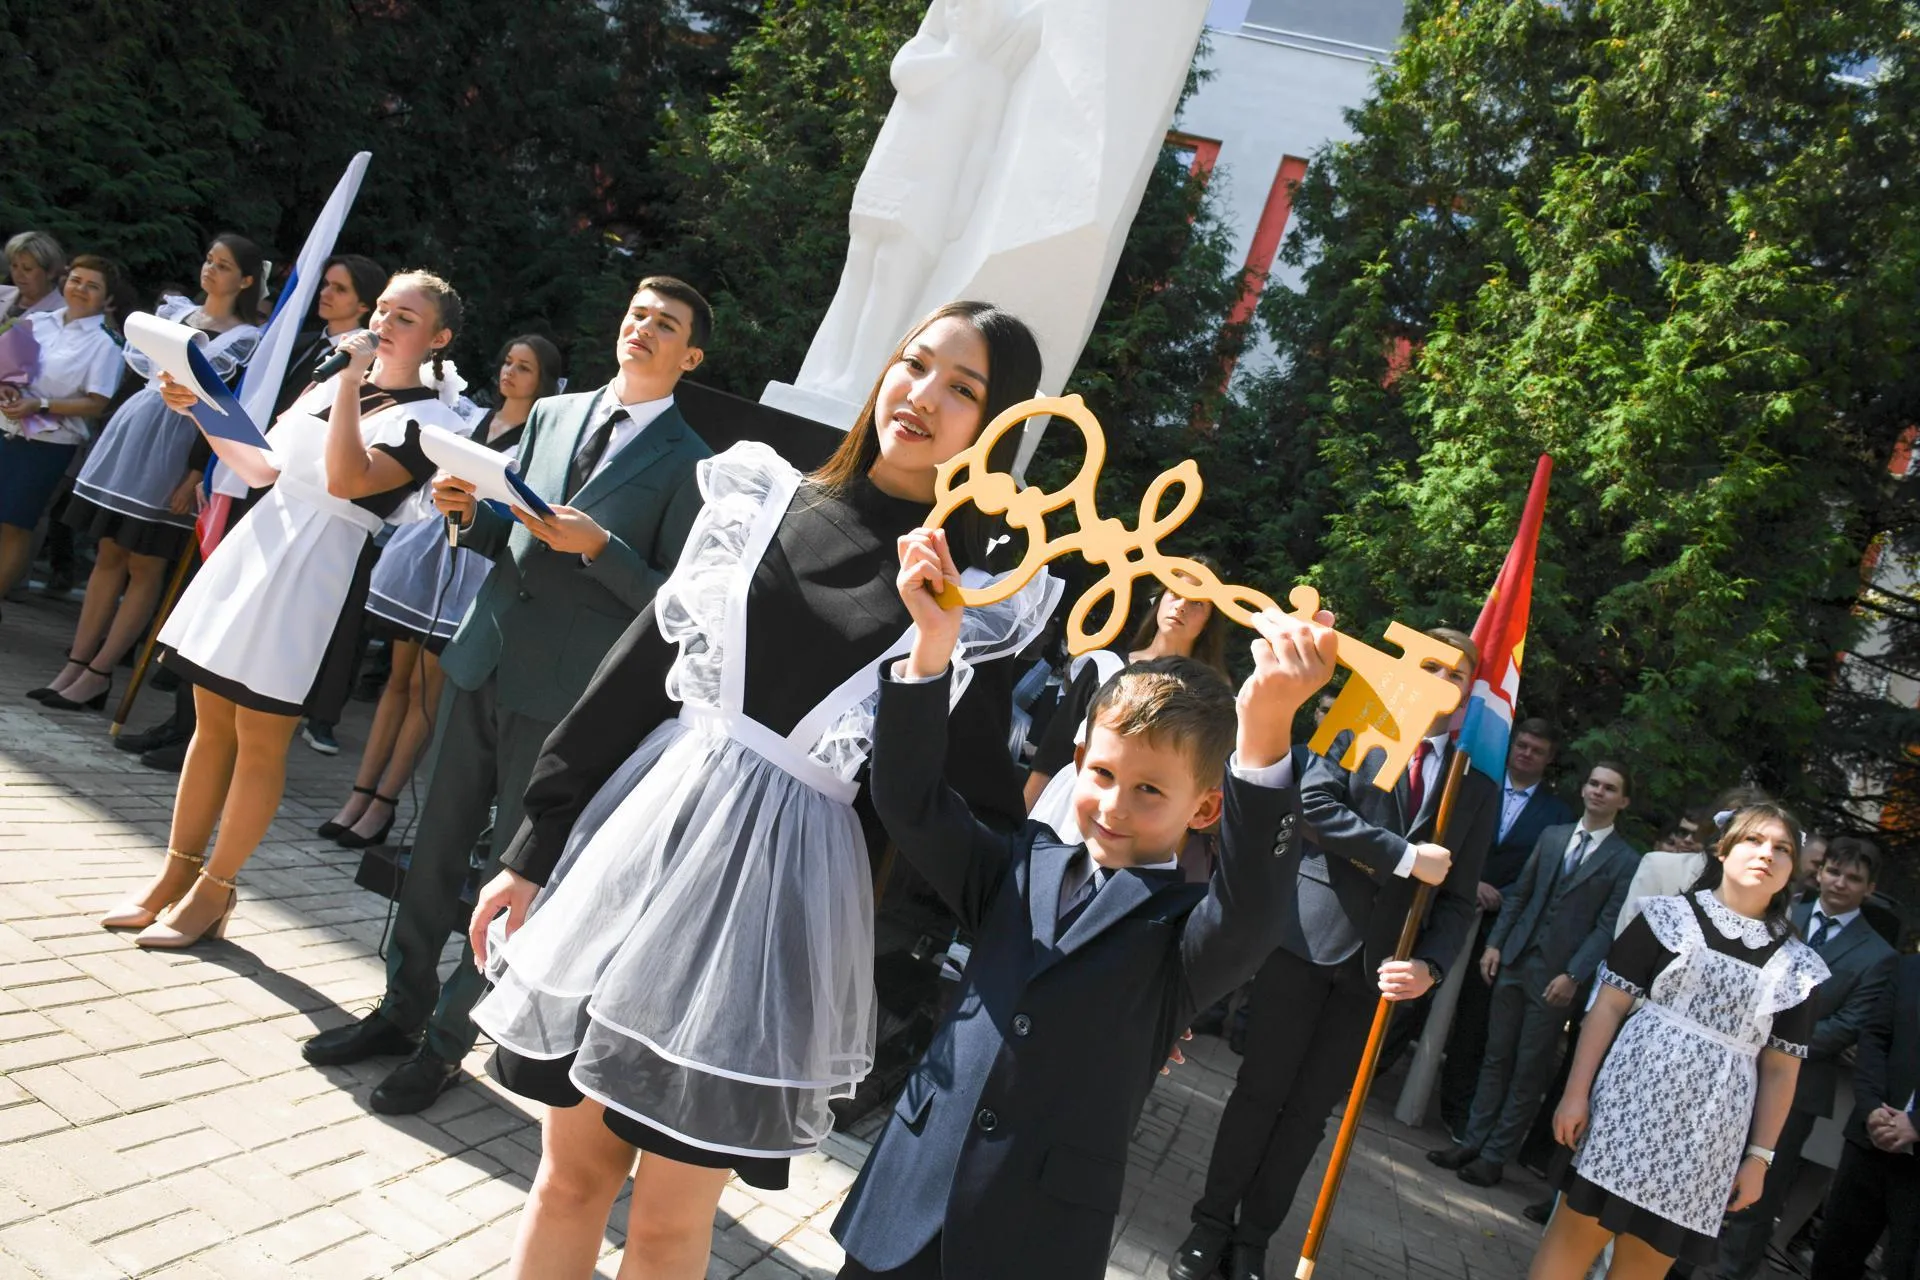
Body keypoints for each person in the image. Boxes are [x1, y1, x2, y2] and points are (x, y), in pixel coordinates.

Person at [460, 301, 1057, 1280]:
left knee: (664, 1221)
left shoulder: (977, 603)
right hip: (641, 853)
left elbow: (945, 816)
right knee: (570, 1176)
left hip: (773, 925)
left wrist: (935, 654)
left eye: (966, 390)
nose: (924, 397)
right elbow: (635, 672)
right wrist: (533, 846)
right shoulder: (763, 500)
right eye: (916, 365)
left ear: (1001, 431)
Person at [832, 560, 1338, 1280]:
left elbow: (1255, 906)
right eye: (1102, 775)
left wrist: (1264, 734)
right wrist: (933, 647)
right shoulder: (1015, 866)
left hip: (1030, 1239)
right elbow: (911, 800)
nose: (1114, 805)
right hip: (906, 1203)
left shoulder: (1184, 937)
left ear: (1203, 808)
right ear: (1077, 760)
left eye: (1149, 790)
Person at [299, 279, 717, 1118]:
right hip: (484, 661)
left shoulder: (693, 463)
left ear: (690, 356)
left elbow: (675, 603)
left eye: (663, 325)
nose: (641, 329)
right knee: (432, 858)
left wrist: (600, 547)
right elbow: (503, 530)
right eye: (635, 314)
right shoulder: (555, 416)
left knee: (501, 881)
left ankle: (448, 1044)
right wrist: (463, 511)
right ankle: (398, 1010)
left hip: (568, 700)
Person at [95, 270, 471, 948]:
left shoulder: (434, 420)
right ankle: (172, 877)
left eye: (405, 317)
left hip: (321, 569)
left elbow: (349, 480)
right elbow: (263, 465)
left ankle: (216, 890)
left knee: (261, 739)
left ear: (438, 339)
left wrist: (355, 382)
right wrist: (200, 409)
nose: (383, 321)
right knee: (209, 721)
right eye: (381, 308)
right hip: (263, 541)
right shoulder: (330, 379)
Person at [1171, 628, 1499, 1280]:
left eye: (1456, 674)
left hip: (1380, 972)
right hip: (1304, 943)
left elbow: (1458, 900)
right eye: (1430, 665)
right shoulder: (1356, 729)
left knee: (1308, 1117)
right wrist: (1406, 856)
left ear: (1467, 695)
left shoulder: (1475, 787)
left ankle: (1253, 1241)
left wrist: (1429, 967)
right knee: (1259, 1093)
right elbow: (1312, 806)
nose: (1442, 679)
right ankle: (1209, 1227)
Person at [1528, 804, 1829, 1280]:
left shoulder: (1799, 968)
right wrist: (1574, 1094)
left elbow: (1780, 1069)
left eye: (1782, 848)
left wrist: (1759, 1159)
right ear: (1724, 850)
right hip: (1626, 1110)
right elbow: (1607, 1008)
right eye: (1753, 841)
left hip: (1708, 1139)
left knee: (1644, 1267)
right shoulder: (1667, 917)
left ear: (1793, 869)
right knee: (1571, 1243)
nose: (1766, 854)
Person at [318, 334, 561, 848]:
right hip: (425, 548)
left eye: (525, 368)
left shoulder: (539, 438)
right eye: (508, 362)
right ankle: (359, 793)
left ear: (544, 381)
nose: (510, 373)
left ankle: (384, 802)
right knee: (397, 681)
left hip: (469, 560)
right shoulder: (470, 418)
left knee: (427, 688)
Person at [30, 236, 263, 711]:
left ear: (245, 280)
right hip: (136, 431)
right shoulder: (176, 314)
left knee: (146, 562)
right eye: (209, 260)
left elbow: (228, 406)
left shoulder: (246, 338)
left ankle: (101, 672)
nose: (210, 270)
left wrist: (197, 469)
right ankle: (76, 662)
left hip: (178, 445)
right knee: (109, 552)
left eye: (224, 266)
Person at [1429, 762, 1639, 1187]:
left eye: (1609, 787)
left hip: (1557, 977)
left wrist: (1574, 974)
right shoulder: (1553, 836)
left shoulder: (1625, 859)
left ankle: (1494, 1156)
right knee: (1494, 1056)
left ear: (1623, 800)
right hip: (1515, 959)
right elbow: (1521, 893)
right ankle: (1470, 1141)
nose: (1598, 791)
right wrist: (1494, 944)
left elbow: (1608, 925)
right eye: (1593, 783)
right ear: (1583, 789)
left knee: (1528, 1069)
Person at [1714, 837, 1896, 1279]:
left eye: (1853, 878)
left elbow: (1848, 1024)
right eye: (1834, 871)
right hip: (1731, 1061)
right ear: (1821, 871)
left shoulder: (1879, 955)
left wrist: (1773, 1044)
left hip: (1797, 1083)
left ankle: (1729, 1274)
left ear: (1869, 889)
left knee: (1759, 1191)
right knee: (1709, 1170)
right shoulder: (1777, 911)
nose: (1840, 883)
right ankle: (1674, 1267)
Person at [1439, 718, 1574, 1135]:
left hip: (1499, 926)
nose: (1526, 753)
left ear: (1548, 760)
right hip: (1447, 903)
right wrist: (1468, 881)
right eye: (1522, 744)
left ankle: (1453, 1111)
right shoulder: (1478, 785)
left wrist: (1502, 893)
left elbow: (1544, 873)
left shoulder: (1557, 815)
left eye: (1537, 749)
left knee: (1473, 1020)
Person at [282, 253, 392, 756]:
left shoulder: (381, 380)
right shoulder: (306, 348)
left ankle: (319, 711)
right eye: (324, 285)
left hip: (342, 518)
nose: (325, 294)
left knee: (337, 618)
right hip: (281, 493)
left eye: (340, 289)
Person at [1022, 563, 1231, 820]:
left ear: (1211, 619)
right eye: (1175, 592)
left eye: (1198, 602)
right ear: (1161, 597)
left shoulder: (1208, 699)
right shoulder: (1104, 666)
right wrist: (1021, 827)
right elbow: (1052, 753)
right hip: (1068, 808)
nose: (1181, 605)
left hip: (1148, 821)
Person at [0, 256, 124, 614]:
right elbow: (7, 367)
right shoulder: (38, 321)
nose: (80, 289)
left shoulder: (106, 343)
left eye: (92, 286)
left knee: (15, 524)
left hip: (47, 443)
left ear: (106, 299)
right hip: (6, 425)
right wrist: (6, 388)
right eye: (76, 280)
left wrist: (39, 404)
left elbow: (96, 403)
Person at [1809, 952, 1920, 1280]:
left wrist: (1916, 1123)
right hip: (1870, 1141)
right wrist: (1872, 1106)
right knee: (1833, 1260)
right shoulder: (1909, 968)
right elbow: (1875, 1037)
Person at [0, 230, 67, 325]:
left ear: (50, 272)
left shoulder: (65, 313)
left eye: (27, 269)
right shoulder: (2, 293)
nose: (18, 274)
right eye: (14, 266)